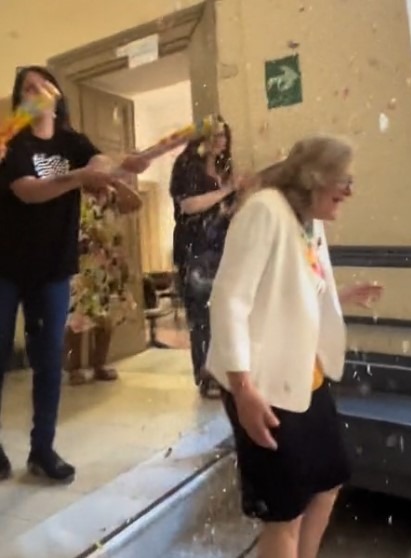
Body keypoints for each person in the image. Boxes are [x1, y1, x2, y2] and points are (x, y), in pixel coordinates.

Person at [206, 135, 383, 558]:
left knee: (327, 481)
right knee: (284, 512)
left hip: (304, 376)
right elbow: (230, 300)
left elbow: (290, 282)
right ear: (314, 178)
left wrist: (341, 295)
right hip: (261, 383)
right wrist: (243, 390)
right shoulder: (264, 211)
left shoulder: (308, 219)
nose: (349, 191)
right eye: (343, 180)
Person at [0, 66, 148, 482]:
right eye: (27, 88)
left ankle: (42, 450)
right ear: (20, 100)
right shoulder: (12, 144)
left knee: (49, 361)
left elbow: (98, 160)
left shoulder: (72, 142)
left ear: (57, 95)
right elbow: (29, 191)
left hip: (53, 268)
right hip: (5, 267)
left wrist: (111, 166)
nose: (36, 91)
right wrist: (82, 176)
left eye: (42, 84)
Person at [170, 116, 239, 397]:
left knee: (224, 310)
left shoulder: (225, 166)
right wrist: (228, 190)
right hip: (195, 248)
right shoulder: (186, 165)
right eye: (216, 135)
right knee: (201, 313)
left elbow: (222, 210)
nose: (221, 141)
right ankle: (206, 374)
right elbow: (188, 205)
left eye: (224, 135)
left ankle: (224, 371)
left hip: (222, 246)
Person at [64, 178, 143, 385]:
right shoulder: (73, 194)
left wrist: (115, 181)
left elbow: (135, 203)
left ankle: (99, 364)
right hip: (81, 264)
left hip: (108, 265)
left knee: (106, 316)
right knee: (78, 317)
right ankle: (74, 368)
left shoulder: (110, 195)